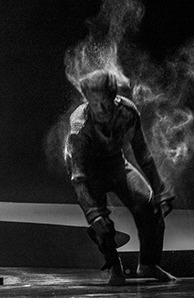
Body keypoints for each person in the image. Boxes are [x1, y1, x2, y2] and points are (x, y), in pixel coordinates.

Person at [64, 69, 176, 285]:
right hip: (89, 172)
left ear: (114, 97)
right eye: (94, 103)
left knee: (148, 204)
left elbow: (143, 153)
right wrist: (93, 213)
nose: (101, 109)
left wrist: (160, 189)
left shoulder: (127, 112)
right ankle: (114, 266)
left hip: (116, 164)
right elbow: (78, 176)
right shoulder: (79, 126)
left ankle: (148, 264)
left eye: (105, 102)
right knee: (102, 223)